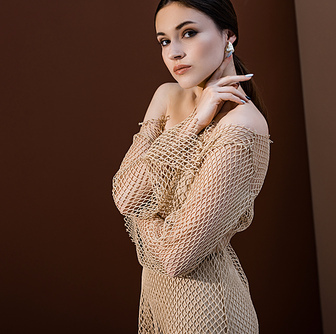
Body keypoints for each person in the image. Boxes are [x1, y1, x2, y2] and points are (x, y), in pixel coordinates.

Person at [112, 0, 271, 332]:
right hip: (158, 305)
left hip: (208, 313)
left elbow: (176, 257)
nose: (174, 52)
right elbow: (126, 197)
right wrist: (196, 122)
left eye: (189, 33)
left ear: (229, 36)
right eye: (165, 40)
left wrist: (144, 211)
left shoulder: (241, 126)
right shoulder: (168, 95)